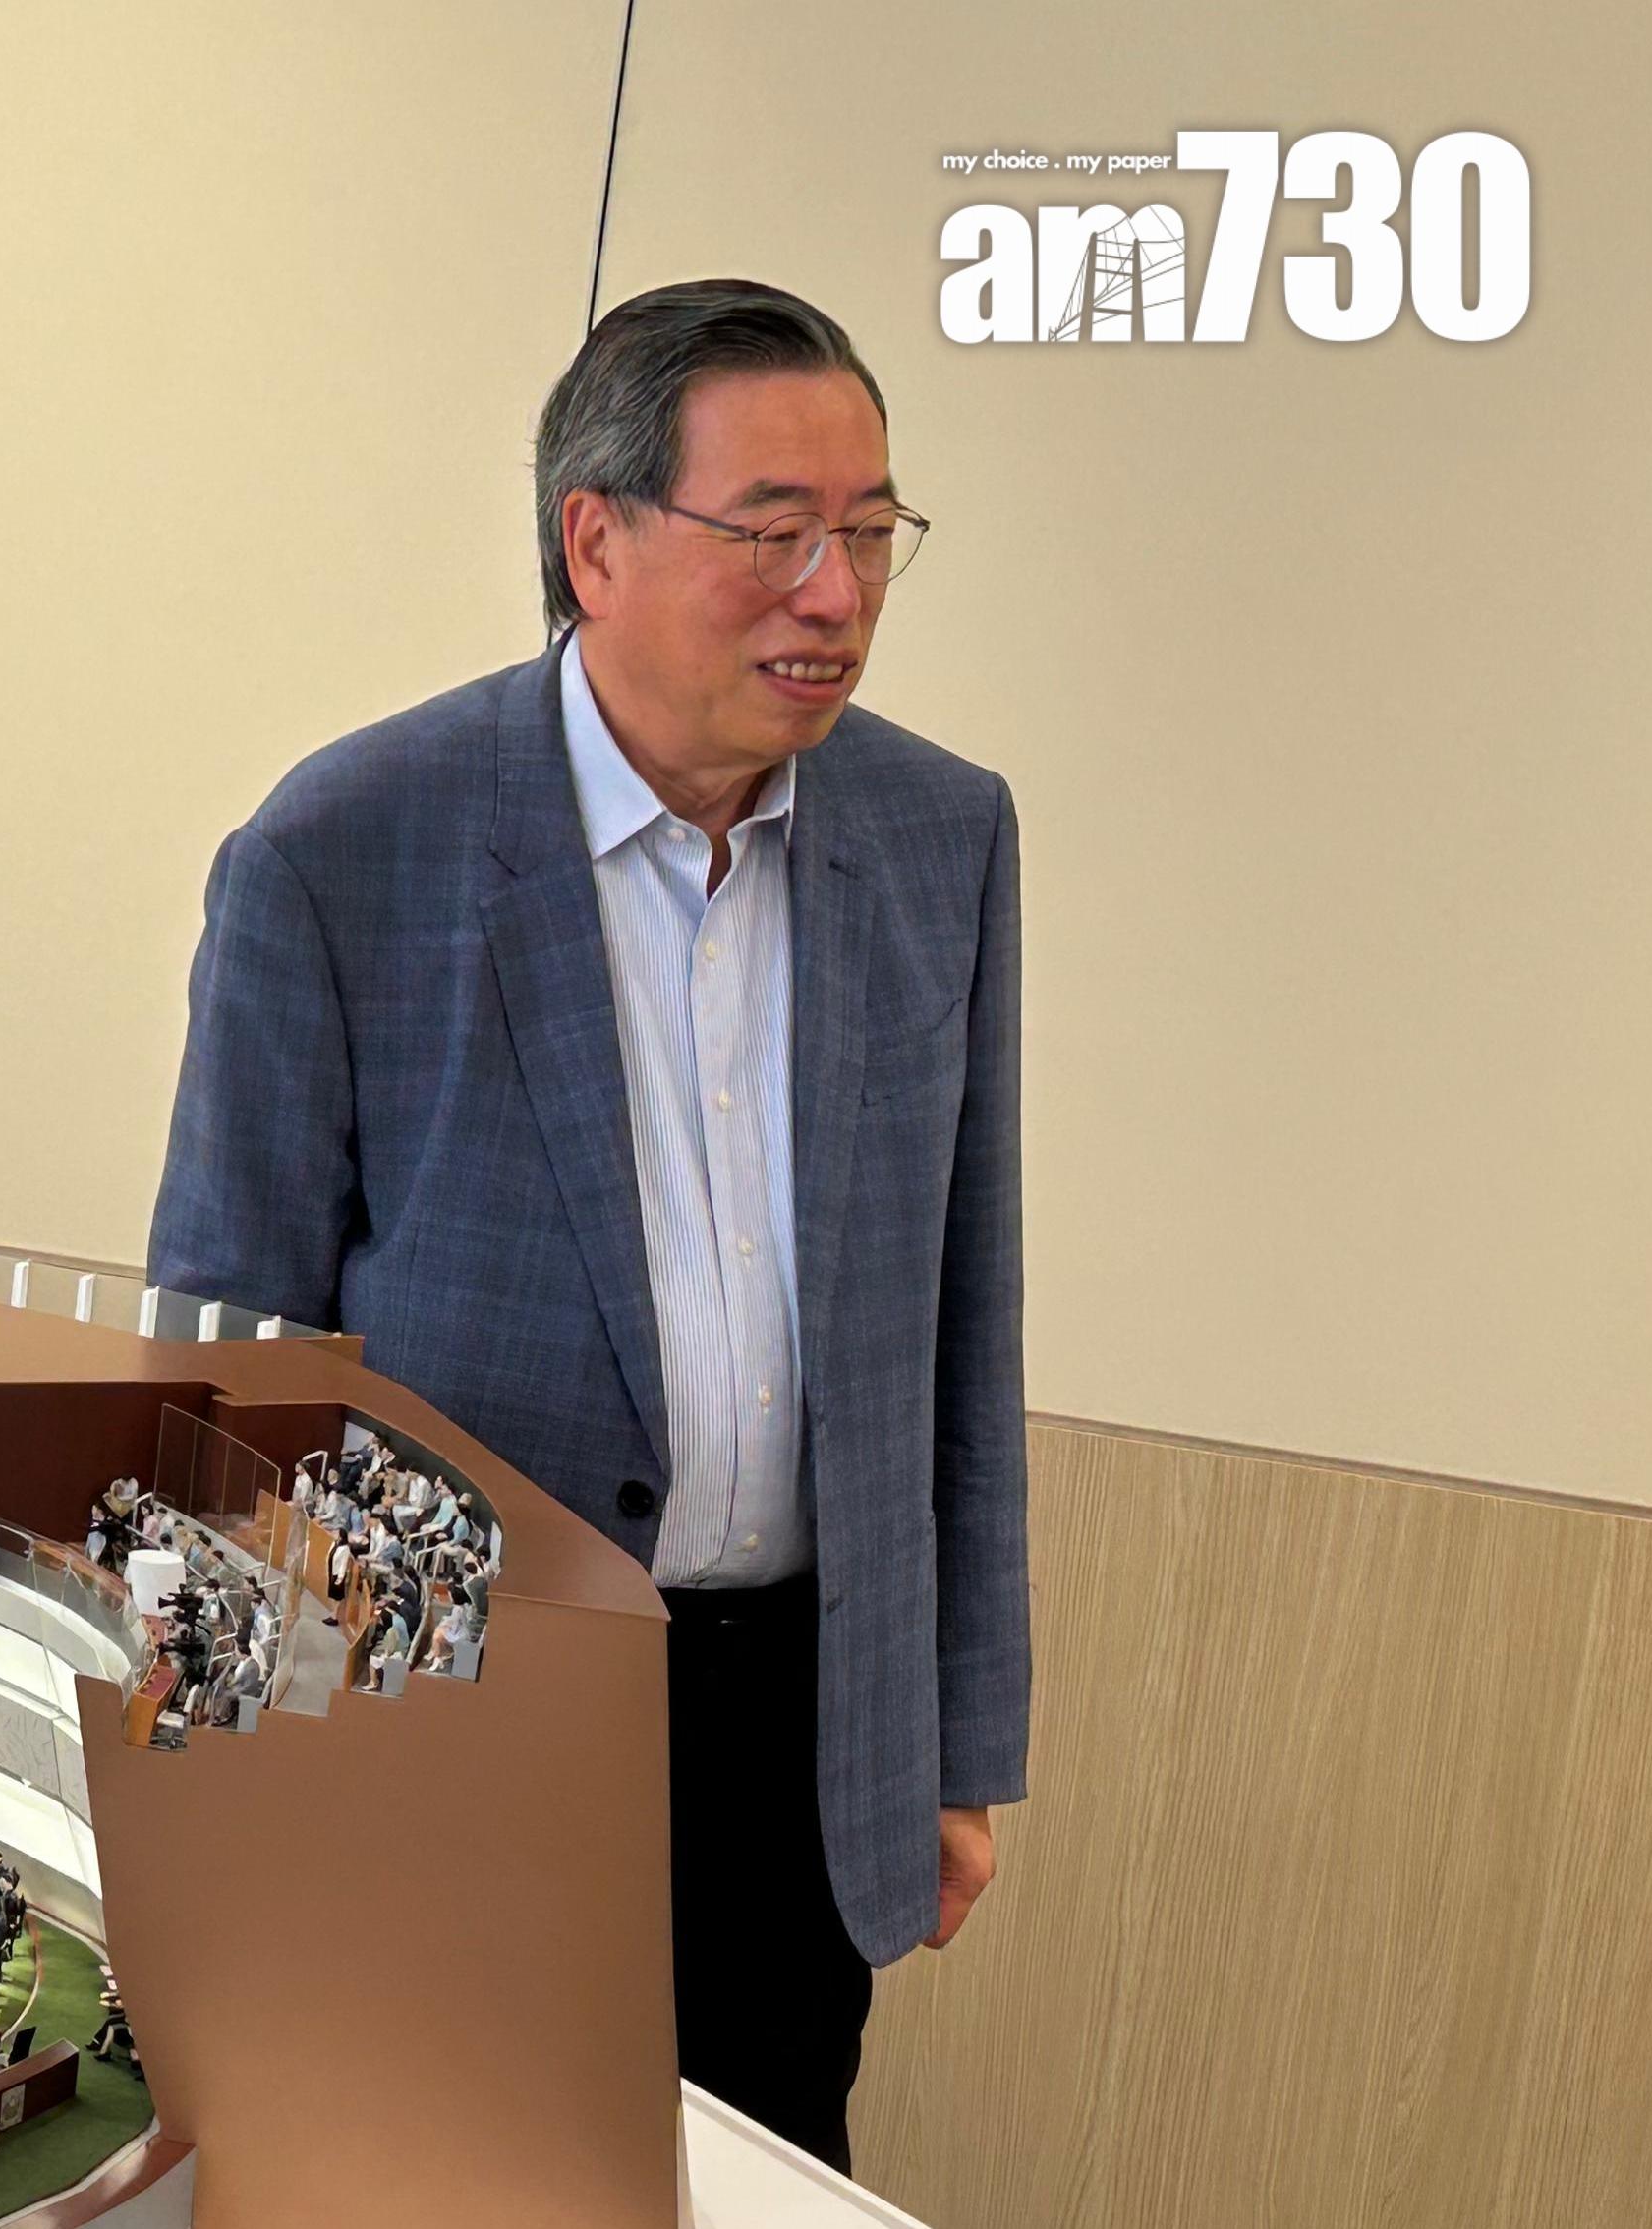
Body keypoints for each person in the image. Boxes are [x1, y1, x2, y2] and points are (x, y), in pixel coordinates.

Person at [145, 277, 1021, 2173]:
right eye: (773, 533)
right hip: (454, 1718)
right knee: (437, 2186)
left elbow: (962, 1326)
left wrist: (955, 1748)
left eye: (872, 533)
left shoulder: (940, 838)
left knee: (753, 2178)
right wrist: (226, 1806)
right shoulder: (345, 847)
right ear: (594, 543)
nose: (835, 594)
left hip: (802, 1739)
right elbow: (227, 1367)